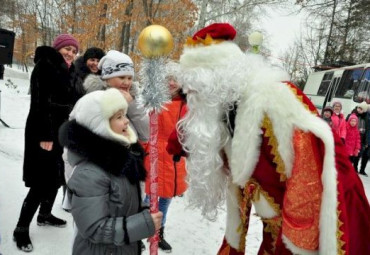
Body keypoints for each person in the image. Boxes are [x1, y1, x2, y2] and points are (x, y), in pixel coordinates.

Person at [177, 23, 370, 254]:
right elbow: (240, 184)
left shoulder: (274, 100)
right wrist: (232, 246)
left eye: (195, 85)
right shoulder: (221, 115)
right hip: (277, 228)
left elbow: (307, 182)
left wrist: (292, 247)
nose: (189, 93)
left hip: (318, 224)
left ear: (216, 81)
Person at [59, 88, 162, 255]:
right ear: (101, 125)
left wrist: (143, 212)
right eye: (119, 117)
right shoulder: (90, 174)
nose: (127, 121)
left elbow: (122, 202)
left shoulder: (121, 159)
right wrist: (142, 225)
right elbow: (94, 228)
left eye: (125, 115)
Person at [13, 34, 80, 252]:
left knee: (56, 176)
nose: (70, 53)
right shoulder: (46, 65)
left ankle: (45, 214)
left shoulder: (69, 69)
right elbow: (39, 102)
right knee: (41, 181)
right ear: (58, 48)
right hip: (44, 131)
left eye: (74, 50)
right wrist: (46, 136)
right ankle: (21, 229)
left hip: (61, 132)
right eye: (67, 48)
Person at [143, 61, 187, 252]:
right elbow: (143, 126)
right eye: (168, 79)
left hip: (173, 157)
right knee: (150, 197)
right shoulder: (154, 101)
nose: (171, 83)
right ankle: (141, 231)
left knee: (165, 199)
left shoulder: (187, 104)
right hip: (153, 154)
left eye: (175, 79)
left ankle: (158, 233)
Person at [346, 101, 369, 173]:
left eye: (361, 109)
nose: (359, 110)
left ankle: (355, 168)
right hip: (350, 137)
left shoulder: (366, 118)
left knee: (358, 154)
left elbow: (367, 129)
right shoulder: (352, 114)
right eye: (358, 108)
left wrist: (366, 141)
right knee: (349, 154)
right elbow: (347, 123)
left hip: (360, 138)